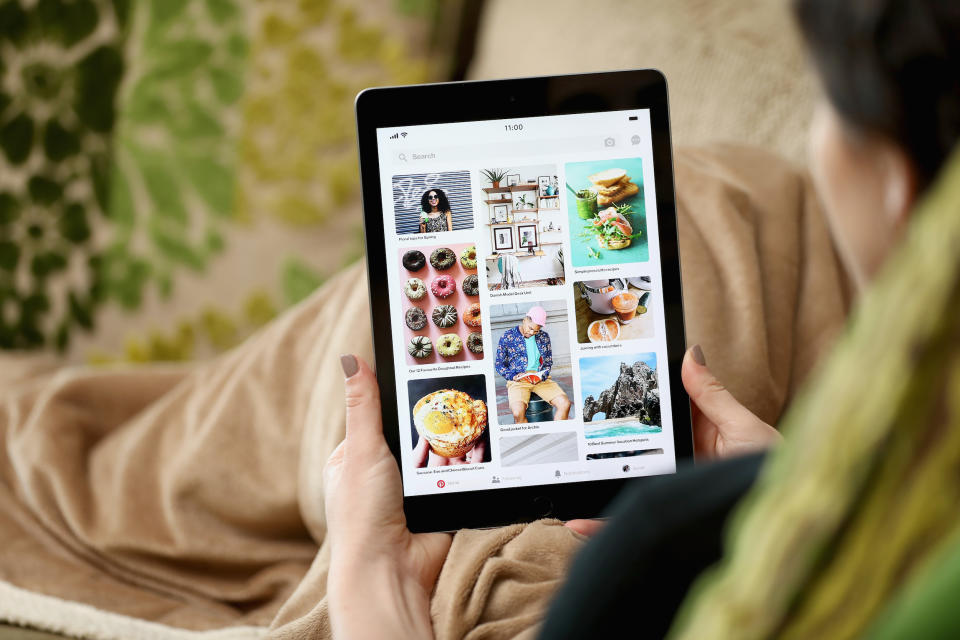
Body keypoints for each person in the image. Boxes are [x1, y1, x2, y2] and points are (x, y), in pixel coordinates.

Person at [324, 0, 960, 637]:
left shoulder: (652, 543)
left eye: (828, 102)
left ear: (896, 186)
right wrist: (781, 487)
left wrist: (373, 576)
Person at [493, 305, 572, 423]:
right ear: (525, 320)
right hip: (518, 381)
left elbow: (548, 362)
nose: (532, 333)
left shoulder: (544, 337)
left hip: (540, 379)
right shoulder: (508, 336)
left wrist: (542, 376)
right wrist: (512, 376)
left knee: (565, 404)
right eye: (530, 328)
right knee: (518, 413)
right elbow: (499, 364)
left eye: (536, 330)